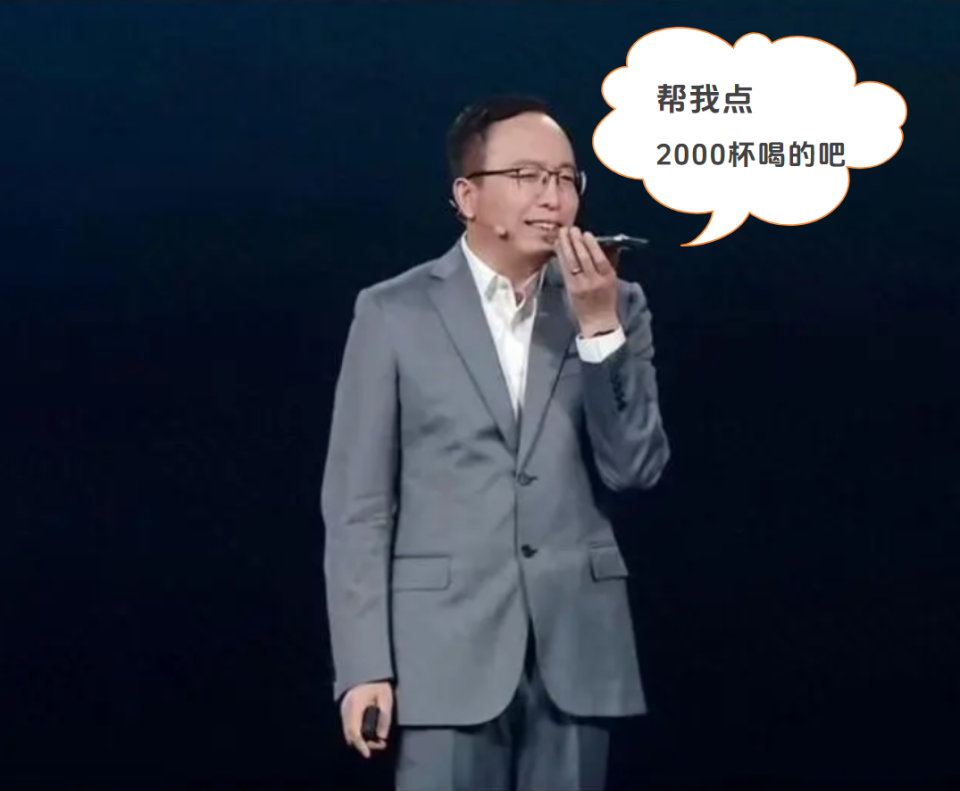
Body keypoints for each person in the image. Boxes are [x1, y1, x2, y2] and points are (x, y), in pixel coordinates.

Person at [321, 94, 671, 791]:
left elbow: (635, 468)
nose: (553, 196)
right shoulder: (392, 311)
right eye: (528, 176)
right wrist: (363, 666)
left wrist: (598, 328)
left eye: (566, 178)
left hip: (578, 646)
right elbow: (358, 506)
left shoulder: (615, 303)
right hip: (441, 652)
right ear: (467, 196)